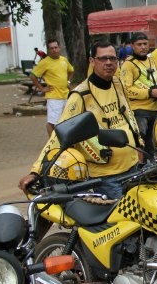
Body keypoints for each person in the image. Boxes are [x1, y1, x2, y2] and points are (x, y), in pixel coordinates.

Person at [18, 41, 142, 199]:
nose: (109, 63)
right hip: (106, 177)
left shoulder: (118, 85)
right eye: (103, 59)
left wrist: (139, 145)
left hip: (133, 168)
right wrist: (36, 171)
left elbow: (128, 118)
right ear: (92, 61)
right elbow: (60, 135)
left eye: (112, 58)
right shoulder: (80, 96)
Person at [120, 33, 157, 155]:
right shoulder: (128, 64)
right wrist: (149, 93)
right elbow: (126, 89)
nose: (143, 47)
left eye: (145, 44)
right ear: (132, 46)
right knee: (140, 144)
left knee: (154, 143)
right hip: (139, 111)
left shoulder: (151, 60)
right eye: (139, 44)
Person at [29, 39, 74, 136]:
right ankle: (51, 145)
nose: (54, 50)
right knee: (52, 123)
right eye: (51, 48)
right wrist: (42, 88)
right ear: (49, 50)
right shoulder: (45, 62)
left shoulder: (63, 60)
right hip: (53, 97)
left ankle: (64, 141)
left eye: (55, 47)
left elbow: (71, 71)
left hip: (65, 95)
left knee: (66, 120)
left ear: (59, 48)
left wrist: (68, 81)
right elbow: (33, 76)